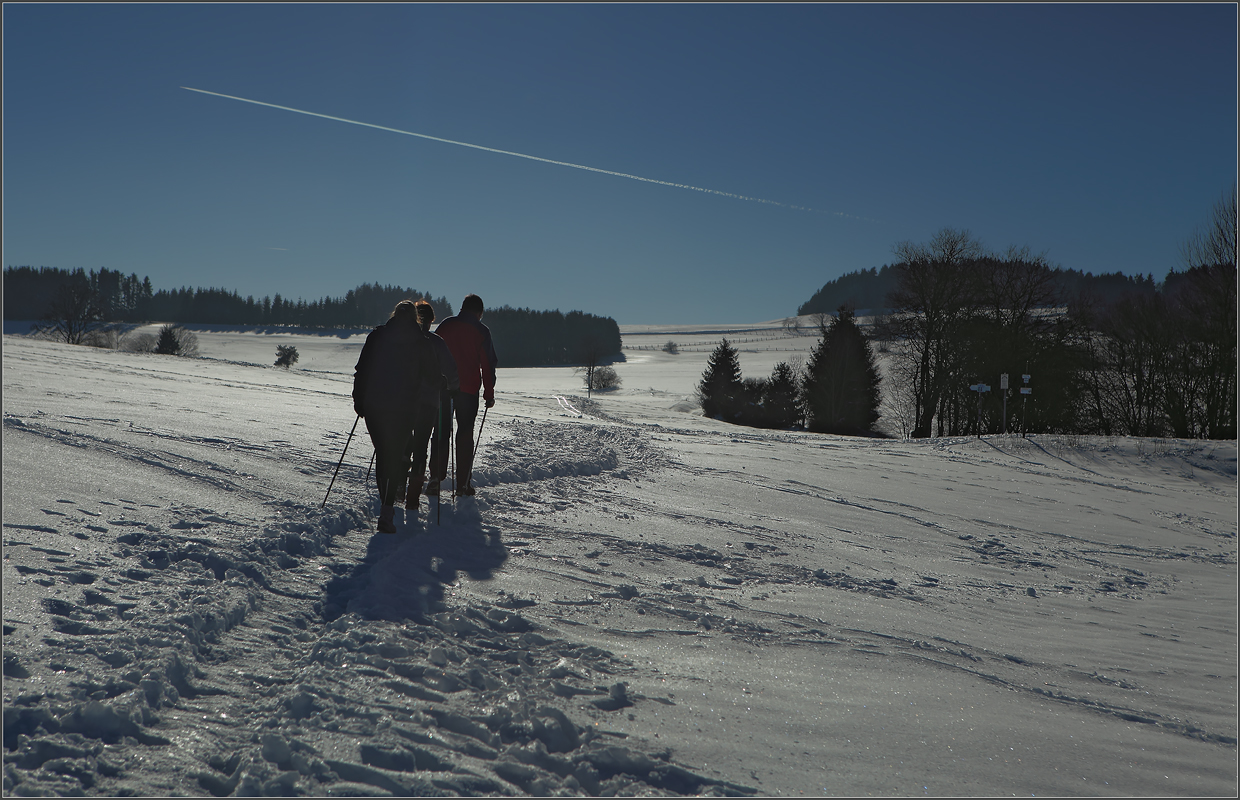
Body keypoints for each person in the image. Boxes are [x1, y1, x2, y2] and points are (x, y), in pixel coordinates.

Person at [351, 299, 447, 533]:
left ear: (394, 314)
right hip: (404, 407)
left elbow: (362, 369)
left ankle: (387, 505)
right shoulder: (421, 342)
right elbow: (432, 376)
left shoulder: (377, 337)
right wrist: (444, 382)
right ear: (416, 318)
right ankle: (386, 509)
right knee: (393, 455)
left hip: (375, 405)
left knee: (384, 454)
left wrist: (359, 400)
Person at [430, 293, 498, 497]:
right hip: (468, 390)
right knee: (465, 434)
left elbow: (433, 353)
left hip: (443, 388)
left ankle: (435, 478)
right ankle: (462, 484)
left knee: (441, 432)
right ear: (479, 313)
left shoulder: (446, 325)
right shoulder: (481, 330)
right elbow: (487, 363)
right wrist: (489, 392)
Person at [403, 301, 458, 510]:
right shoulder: (436, 342)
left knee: (406, 441)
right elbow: (451, 370)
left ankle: (400, 483)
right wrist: (453, 387)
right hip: (430, 401)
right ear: (432, 320)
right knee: (428, 442)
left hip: (405, 401)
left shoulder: (404, 341)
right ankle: (420, 490)